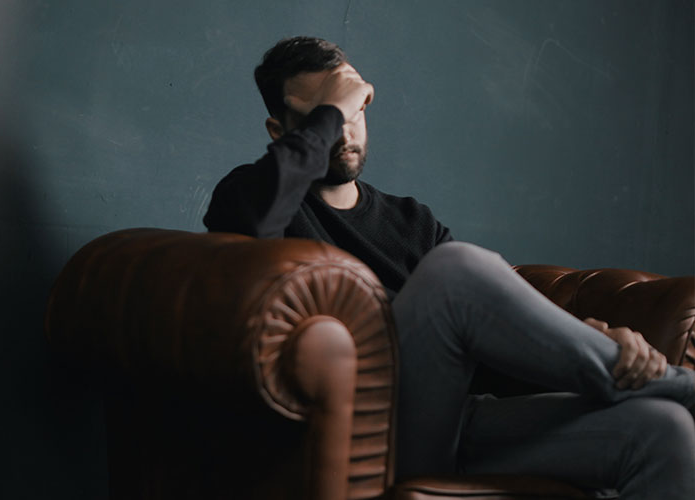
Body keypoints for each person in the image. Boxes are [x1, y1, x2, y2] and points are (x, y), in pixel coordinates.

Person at [204, 36, 695, 498]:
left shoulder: (411, 220)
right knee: (454, 269)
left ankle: (644, 381)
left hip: (457, 424)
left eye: (356, 110)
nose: (346, 130)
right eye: (327, 117)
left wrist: (587, 339)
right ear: (281, 130)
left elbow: (486, 342)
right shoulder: (252, 196)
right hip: (368, 434)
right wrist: (335, 108)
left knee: (663, 430)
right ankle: (676, 385)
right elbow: (251, 224)